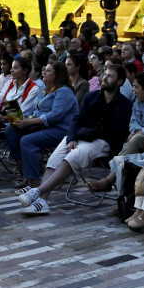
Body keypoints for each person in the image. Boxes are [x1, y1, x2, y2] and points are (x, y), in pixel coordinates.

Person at [16, 64, 131, 215]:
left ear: (120, 81)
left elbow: (116, 132)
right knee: (54, 159)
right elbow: (77, 120)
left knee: (73, 156)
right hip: (81, 136)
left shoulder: (124, 104)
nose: (104, 78)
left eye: (110, 76)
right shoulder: (92, 97)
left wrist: (85, 135)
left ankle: (37, 191)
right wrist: (72, 138)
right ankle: (42, 201)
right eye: (104, 74)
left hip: (103, 142)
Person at [4, 61, 80, 188]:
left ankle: (34, 181)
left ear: (58, 75)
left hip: (62, 129)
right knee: (11, 129)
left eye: (48, 70)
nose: (44, 73)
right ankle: (21, 167)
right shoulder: (47, 90)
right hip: (44, 126)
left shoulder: (64, 91)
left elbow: (55, 115)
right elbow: (37, 110)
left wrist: (29, 121)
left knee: (27, 141)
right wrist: (24, 118)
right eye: (44, 70)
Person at [0, 57, 41, 125]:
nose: (11, 70)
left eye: (15, 68)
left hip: (14, 123)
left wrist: (1, 118)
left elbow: (22, 111)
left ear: (25, 71)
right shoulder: (10, 83)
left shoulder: (34, 89)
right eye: (12, 67)